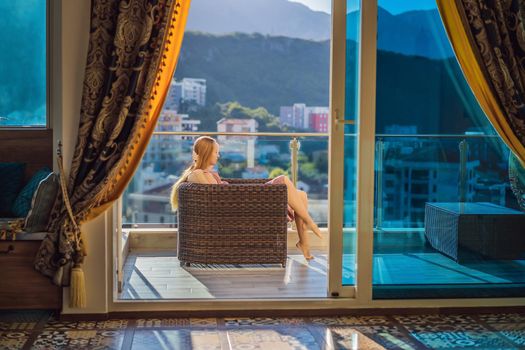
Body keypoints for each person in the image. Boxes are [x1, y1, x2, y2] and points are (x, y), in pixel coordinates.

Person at [171, 136, 322, 260]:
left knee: (301, 195)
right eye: (215, 152)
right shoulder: (197, 174)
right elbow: (214, 196)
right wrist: (201, 164)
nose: (218, 155)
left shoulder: (207, 174)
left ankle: (304, 243)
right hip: (243, 206)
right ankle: (310, 223)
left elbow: (216, 193)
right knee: (283, 179)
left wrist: (208, 171)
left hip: (243, 202)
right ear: (205, 153)